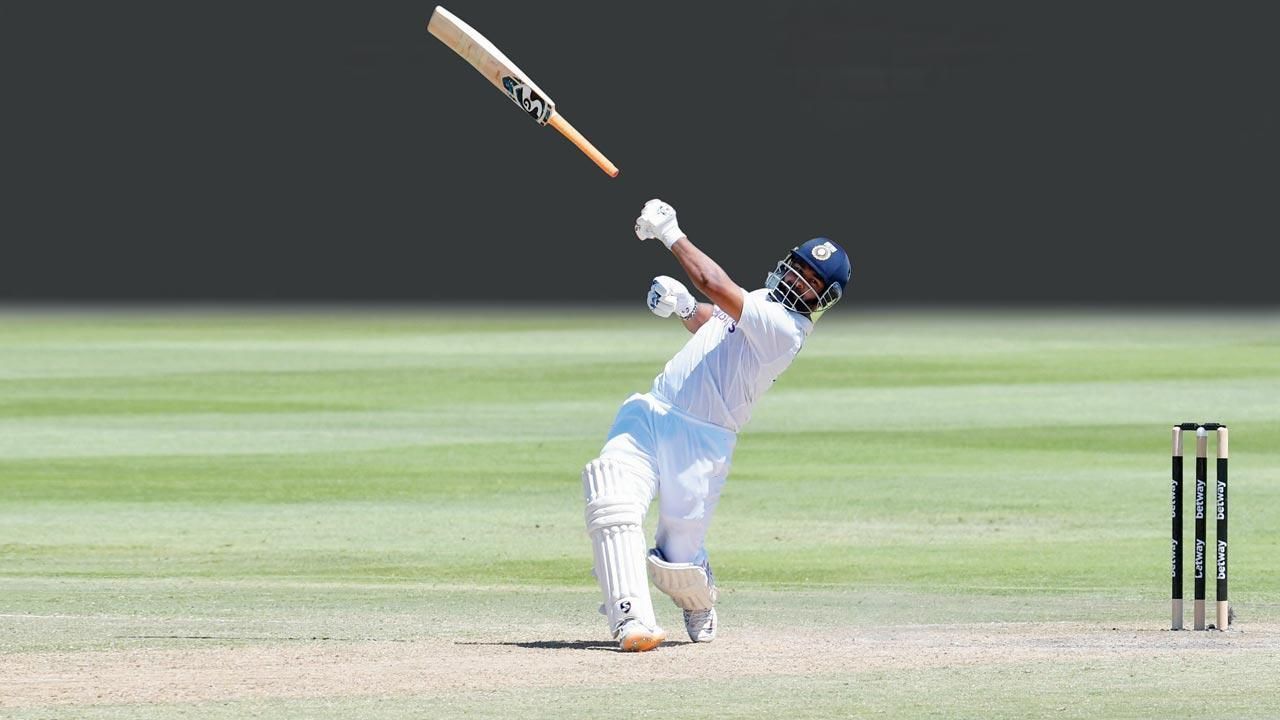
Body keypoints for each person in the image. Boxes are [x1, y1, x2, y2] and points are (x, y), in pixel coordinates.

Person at [581, 198, 853, 652]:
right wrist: (686, 307)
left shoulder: (787, 328)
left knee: (676, 562)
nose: (799, 280)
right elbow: (719, 320)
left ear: (821, 299)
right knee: (611, 498)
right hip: (653, 411)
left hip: (703, 442)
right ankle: (631, 622)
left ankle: (698, 595)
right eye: (799, 268)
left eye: (811, 282)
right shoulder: (763, 302)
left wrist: (671, 234)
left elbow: (713, 282)